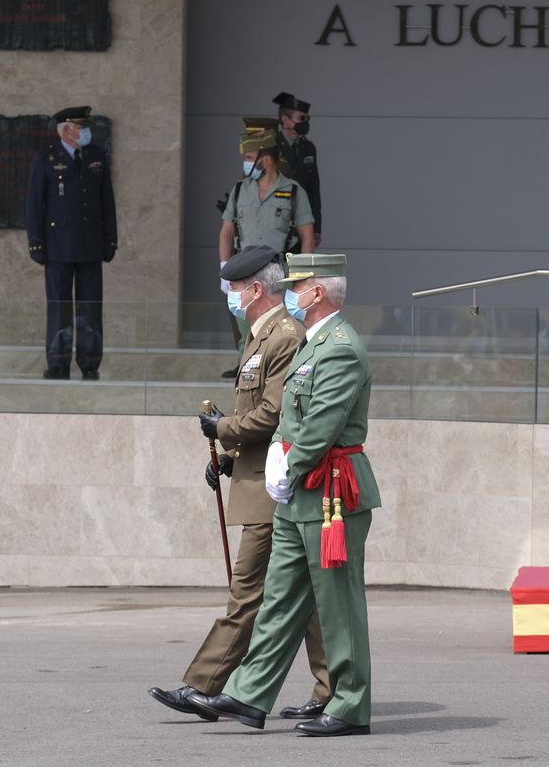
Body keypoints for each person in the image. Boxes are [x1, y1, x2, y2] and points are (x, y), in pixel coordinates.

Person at [188, 253, 380, 738]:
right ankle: (250, 693)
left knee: (338, 605)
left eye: (297, 286)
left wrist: (287, 467)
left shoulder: (340, 348)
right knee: (279, 598)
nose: (290, 294)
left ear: (318, 293)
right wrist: (276, 455)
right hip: (300, 493)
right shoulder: (313, 344)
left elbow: (321, 426)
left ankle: (349, 704)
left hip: (330, 491)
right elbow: (288, 417)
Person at [148, 245, 333, 723]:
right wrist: (230, 458)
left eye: (234, 287)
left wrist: (223, 429)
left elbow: (274, 414)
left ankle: (203, 685)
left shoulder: (284, 337)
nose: (230, 295)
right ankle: (331, 689)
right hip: (257, 481)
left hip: (274, 489)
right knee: (305, 595)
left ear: (254, 290)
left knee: (247, 591)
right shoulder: (259, 336)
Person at [218, 117, 316, 378]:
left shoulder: (293, 191)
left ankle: (279, 379)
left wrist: (302, 275)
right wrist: (224, 267)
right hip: (244, 271)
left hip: (278, 271)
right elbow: (226, 231)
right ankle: (247, 381)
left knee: (283, 329)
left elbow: (307, 235)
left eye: (250, 157)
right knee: (246, 331)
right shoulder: (240, 190)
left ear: (267, 159)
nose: (246, 162)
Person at [25, 106, 117, 381]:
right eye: (81, 127)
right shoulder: (46, 158)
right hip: (58, 246)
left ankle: (90, 362)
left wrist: (110, 238)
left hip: (91, 245)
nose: (87, 132)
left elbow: (106, 201)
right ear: (65, 129)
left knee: (91, 307)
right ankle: (58, 362)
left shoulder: (96, 156)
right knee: (59, 308)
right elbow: (34, 204)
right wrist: (36, 242)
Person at [272, 92, 322, 245]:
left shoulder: (308, 148)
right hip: (273, 225)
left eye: (307, 119)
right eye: (301, 118)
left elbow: (313, 192)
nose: (304, 123)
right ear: (285, 119)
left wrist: (316, 228)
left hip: (301, 226)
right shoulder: (270, 146)